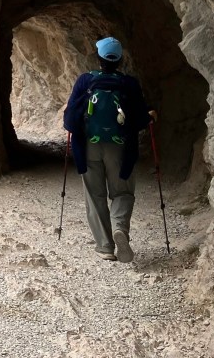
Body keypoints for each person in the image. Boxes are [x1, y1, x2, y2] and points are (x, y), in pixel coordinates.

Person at [62, 36, 156, 263]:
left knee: (95, 196)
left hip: (89, 147)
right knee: (122, 192)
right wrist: (150, 116)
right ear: (120, 60)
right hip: (120, 148)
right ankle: (120, 228)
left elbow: (70, 120)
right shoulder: (129, 84)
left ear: (99, 58)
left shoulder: (85, 81)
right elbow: (139, 118)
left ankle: (105, 247)